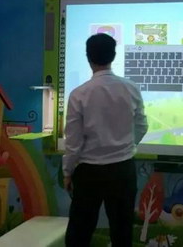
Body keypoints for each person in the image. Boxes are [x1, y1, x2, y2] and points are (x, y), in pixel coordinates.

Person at [63, 33, 148, 247]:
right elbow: (142, 126)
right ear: (113, 55)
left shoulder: (79, 94)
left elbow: (73, 142)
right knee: (122, 233)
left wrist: (67, 172)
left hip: (89, 172)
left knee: (79, 234)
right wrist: (127, 145)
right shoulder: (131, 88)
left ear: (88, 57)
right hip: (123, 170)